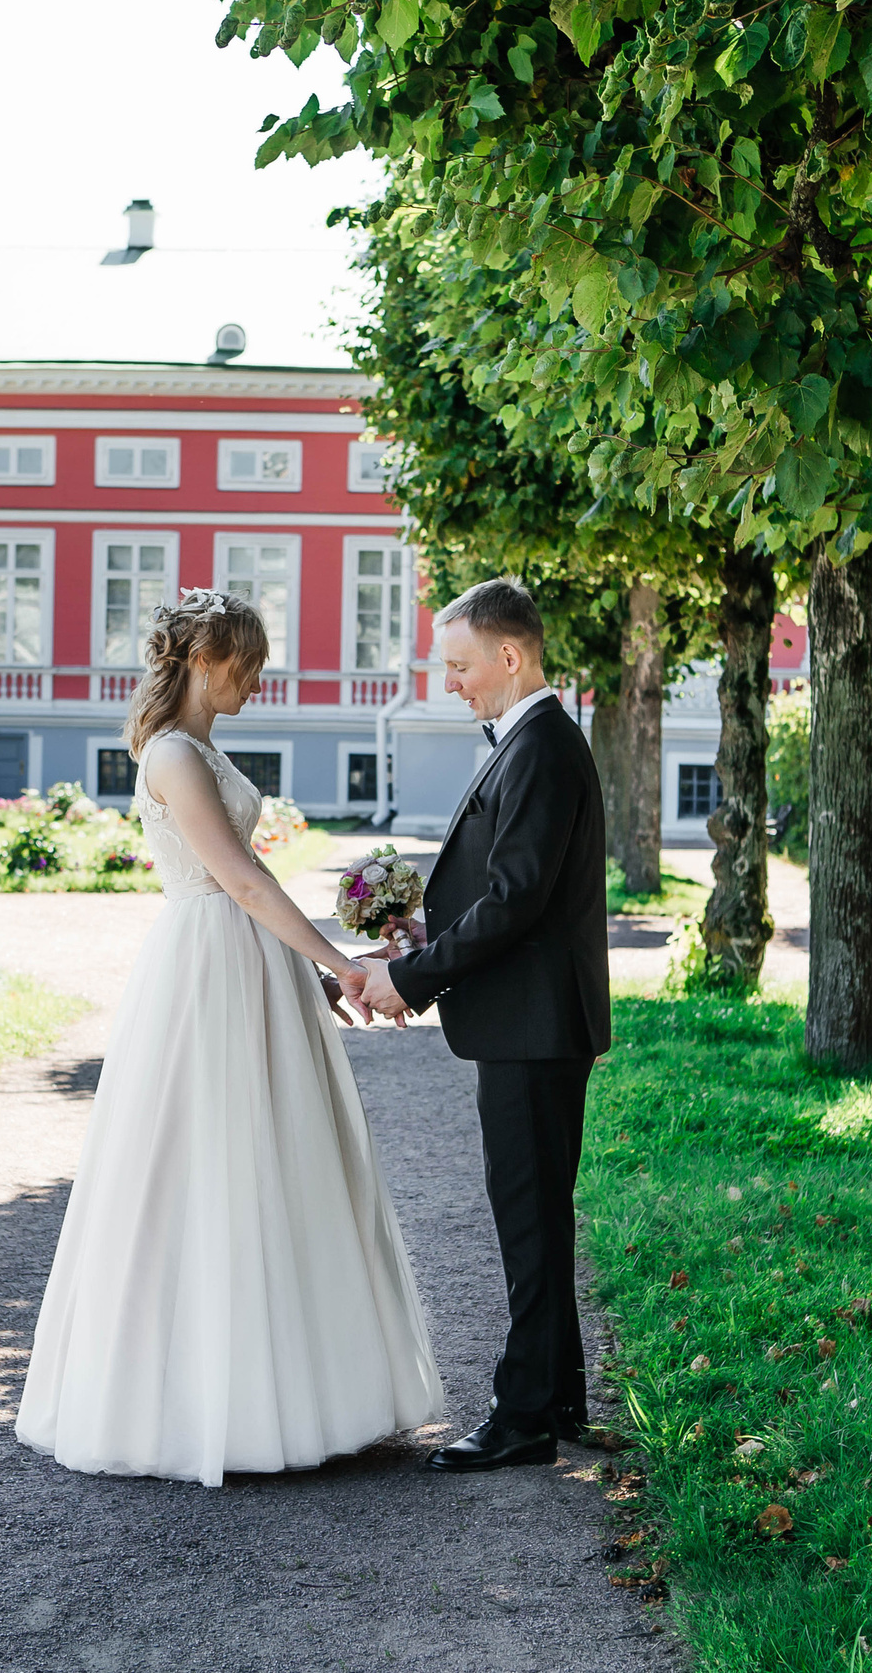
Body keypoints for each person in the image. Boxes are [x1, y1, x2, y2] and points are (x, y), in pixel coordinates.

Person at [16, 588, 441, 1487]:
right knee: (206, 1164)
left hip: (246, 962)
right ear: (204, 660)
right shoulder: (173, 752)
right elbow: (242, 881)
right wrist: (342, 959)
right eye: (247, 660)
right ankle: (200, 1403)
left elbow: (251, 886)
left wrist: (318, 970)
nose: (259, 676)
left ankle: (291, 1392)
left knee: (275, 1161)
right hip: (208, 963)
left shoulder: (200, 746)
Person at [357, 578, 611, 1472]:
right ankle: (561, 1396)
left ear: (511, 655)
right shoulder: (531, 739)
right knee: (538, 1211)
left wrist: (408, 979)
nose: (450, 682)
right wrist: (425, 932)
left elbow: (514, 901)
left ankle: (523, 1417)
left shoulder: (540, 743)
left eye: (460, 665)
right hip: (530, 1020)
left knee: (528, 1220)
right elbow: (509, 895)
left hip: (533, 1026)